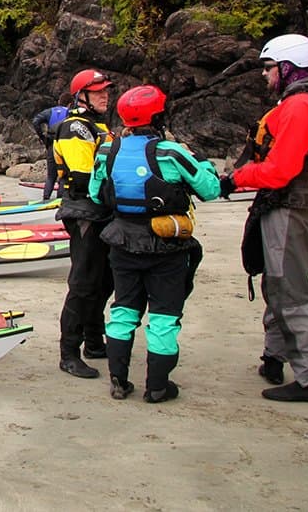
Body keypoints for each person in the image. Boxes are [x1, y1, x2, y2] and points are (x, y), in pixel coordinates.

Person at [222, 33, 308, 403]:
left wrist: (234, 180)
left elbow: (279, 171)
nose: (265, 75)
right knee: (276, 283)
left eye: (269, 68)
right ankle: (274, 358)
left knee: (290, 290)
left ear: (287, 68)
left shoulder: (299, 107)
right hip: (295, 202)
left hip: (290, 205)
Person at [91, 85, 222, 403]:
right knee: (164, 315)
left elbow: (97, 195)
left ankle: (119, 381)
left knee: (123, 309)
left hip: (121, 241)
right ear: (159, 116)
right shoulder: (171, 152)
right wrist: (200, 160)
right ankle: (158, 386)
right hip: (167, 246)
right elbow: (210, 188)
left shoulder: (108, 150)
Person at [53, 69, 116, 379]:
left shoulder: (99, 126)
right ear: (82, 96)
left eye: (106, 90)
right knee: (84, 282)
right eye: (98, 91)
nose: (105, 95)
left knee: (105, 281)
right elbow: (82, 176)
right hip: (83, 212)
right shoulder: (76, 128)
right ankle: (69, 352)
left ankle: (93, 340)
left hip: (102, 212)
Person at [32, 94, 74, 200]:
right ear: (70, 104)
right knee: (64, 175)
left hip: (51, 145)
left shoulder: (49, 111)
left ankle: (45, 198)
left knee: (51, 176)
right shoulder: (71, 113)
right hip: (64, 146)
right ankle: (60, 199)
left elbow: (35, 121)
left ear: (59, 101)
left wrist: (43, 137)